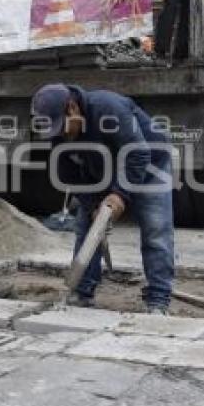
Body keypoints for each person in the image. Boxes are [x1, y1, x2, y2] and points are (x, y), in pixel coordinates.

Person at [31, 83, 174, 314]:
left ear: (72, 108)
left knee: (155, 230)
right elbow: (67, 175)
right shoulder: (60, 131)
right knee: (87, 228)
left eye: (64, 128)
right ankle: (82, 293)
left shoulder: (108, 108)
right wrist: (92, 205)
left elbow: (138, 153)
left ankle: (158, 299)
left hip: (150, 165)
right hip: (102, 171)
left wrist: (118, 195)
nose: (62, 135)